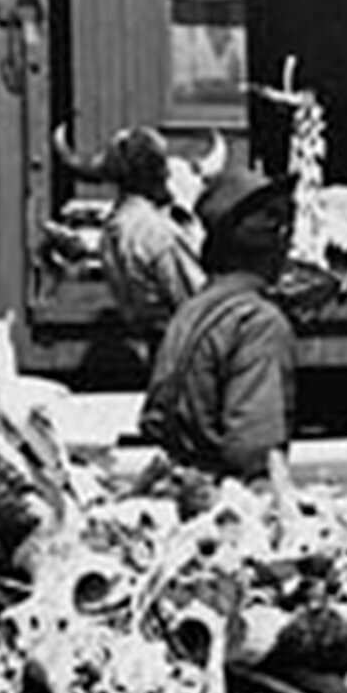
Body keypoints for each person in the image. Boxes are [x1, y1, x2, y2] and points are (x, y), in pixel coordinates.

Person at [139, 166, 300, 481]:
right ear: (275, 241)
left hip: (183, 484)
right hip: (227, 502)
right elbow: (253, 450)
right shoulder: (259, 322)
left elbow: (156, 418)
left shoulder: (191, 309)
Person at [98, 129, 206, 346]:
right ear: (155, 174)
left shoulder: (110, 231)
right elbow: (196, 302)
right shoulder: (157, 232)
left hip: (150, 342)